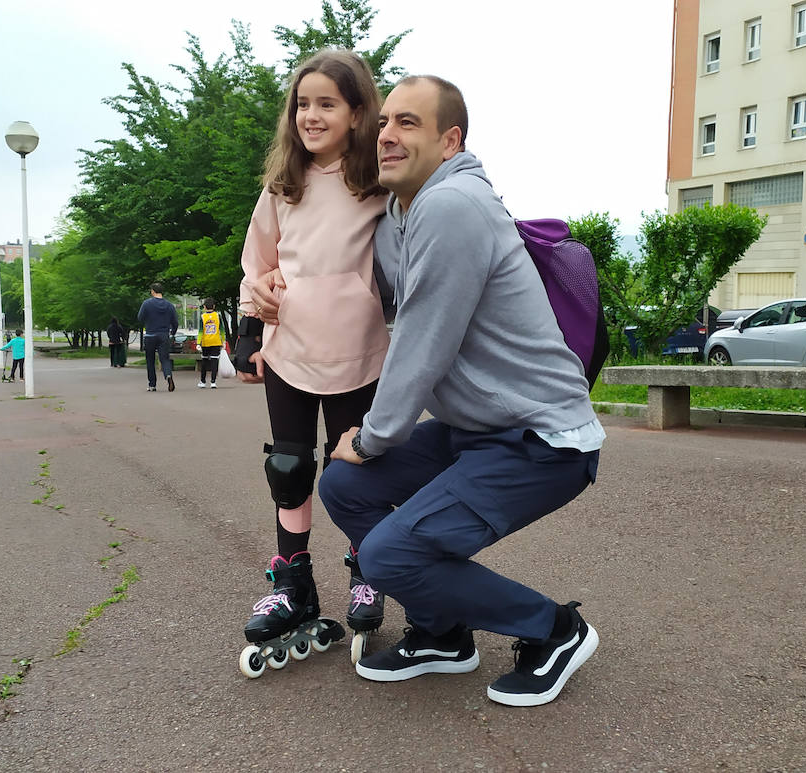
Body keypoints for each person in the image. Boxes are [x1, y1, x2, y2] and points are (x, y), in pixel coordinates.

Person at [314, 75, 605, 707]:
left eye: (408, 123)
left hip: (540, 440)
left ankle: (554, 629)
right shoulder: (400, 213)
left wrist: (372, 437)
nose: (388, 135)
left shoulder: (455, 205)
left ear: (451, 142)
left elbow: (423, 338)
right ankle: (445, 633)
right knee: (344, 487)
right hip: (473, 432)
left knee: (390, 555)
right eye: (385, 122)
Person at [233, 50, 391, 657]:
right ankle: (293, 583)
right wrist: (252, 321)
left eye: (327, 104)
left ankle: (366, 571)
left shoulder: (378, 182)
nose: (311, 116)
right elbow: (259, 261)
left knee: (355, 466)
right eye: (303, 104)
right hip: (289, 349)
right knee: (289, 467)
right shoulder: (283, 186)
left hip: (360, 349)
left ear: (357, 113)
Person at [137, 283, 178, 392]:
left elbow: (140, 317)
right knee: (164, 359)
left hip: (150, 335)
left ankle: (152, 385)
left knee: (150, 360)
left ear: (152, 291)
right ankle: (168, 376)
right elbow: (175, 322)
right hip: (164, 335)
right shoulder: (169, 305)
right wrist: (172, 332)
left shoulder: (146, 304)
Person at [196, 299, 224, 389]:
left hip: (205, 342)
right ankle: (213, 382)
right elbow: (222, 330)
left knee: (204, 361)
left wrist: (198, 343)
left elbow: (200, 331)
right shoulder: (218, 316)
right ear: (214, 306)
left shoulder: (203, 317)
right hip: (216, 342)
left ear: (204, 307)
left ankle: (203, 381)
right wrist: (223, 341)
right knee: (214, 361)